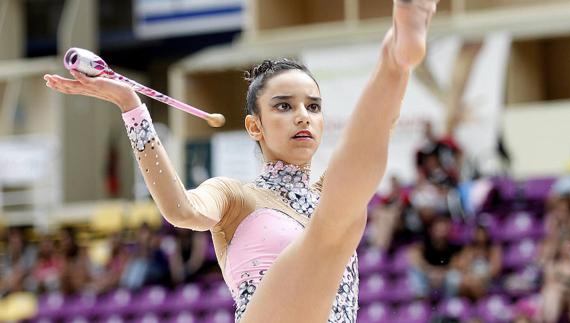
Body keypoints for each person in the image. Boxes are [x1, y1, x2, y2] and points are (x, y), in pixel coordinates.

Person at [44, 0, 439, 321]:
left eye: (313, 106)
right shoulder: (235, 196)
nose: (303, 115)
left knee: (345, 208)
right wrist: (131, 106)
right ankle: (395, 56)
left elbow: (375, 133)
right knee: (334, 224)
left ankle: (400, 54)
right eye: (284, 106)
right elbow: (180, 209)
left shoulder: (332, 193)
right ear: (255, 126)